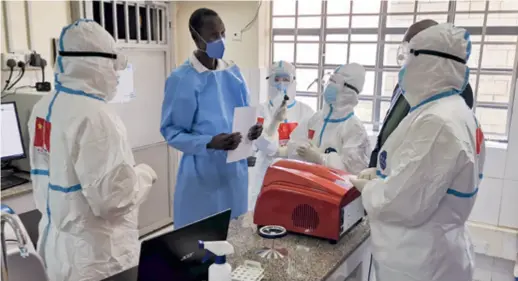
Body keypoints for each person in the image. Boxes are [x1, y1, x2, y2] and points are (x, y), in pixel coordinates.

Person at [350, 23, 486, 281]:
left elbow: (402, 203)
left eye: (408, 56)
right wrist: (382, 174)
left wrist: (369, 188)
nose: (403, 67)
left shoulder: (438, 122)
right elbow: (420, 175)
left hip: (422, 263)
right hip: (429, 253)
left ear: (429, 64)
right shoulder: (449, 110)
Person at [28, 19, 157, 281]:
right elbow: (113, 200)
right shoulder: (97, 116)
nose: (116, 75)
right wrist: (144, 175)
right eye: (113, 67)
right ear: (97, 64)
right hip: (97, 257)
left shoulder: (43, 107)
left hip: (56, 247)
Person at [160, 8, 262, 229]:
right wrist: (209, 142)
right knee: (201, 246)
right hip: (202, 177)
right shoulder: (183, 79)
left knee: (234, 240)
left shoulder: (233, 73)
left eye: (223, 33)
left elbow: (245, 115)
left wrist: (253, 130)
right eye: (213, 36)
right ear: (196, 38)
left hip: (234, 175)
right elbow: (171, 132)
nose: (221, 40)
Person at [362, 19, 475, 174]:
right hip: (386, 172)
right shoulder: (405, 83)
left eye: (410, 50)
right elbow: (389, 128)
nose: (405, 58)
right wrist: (375, 166)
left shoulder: (456, 91)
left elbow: (437, 145)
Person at [249, 60, 315, 210]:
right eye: (276, 79)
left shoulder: (306, 112)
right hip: (266, 171)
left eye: (286, 79)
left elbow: (310, 144)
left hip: (297, 172)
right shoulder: (260, 110)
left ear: (294, 82)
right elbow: (263, 145)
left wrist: (289, 151)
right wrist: (275, 121)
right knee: (264, 212)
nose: (281, 84)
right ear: (269, 82)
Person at [294, 63, 371, 174]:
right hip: (310, 184)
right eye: (331, 80)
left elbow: (354, 170)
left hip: (336, 190)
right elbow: (294, 144)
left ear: (350, 90)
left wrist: (320, 158)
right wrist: (301, 149)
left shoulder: (354, 128)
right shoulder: (317, 118)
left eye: (336, 82)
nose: (330, 85)